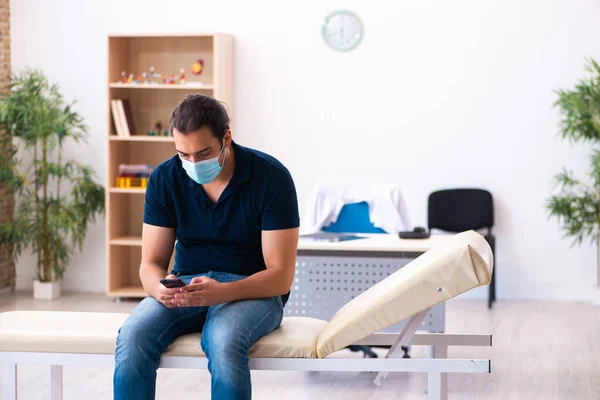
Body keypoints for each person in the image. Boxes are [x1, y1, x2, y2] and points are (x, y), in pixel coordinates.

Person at [113, 94, 300, 400]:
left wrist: (223, 292)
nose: (193, 164)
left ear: (226, 138)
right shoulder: (165, 178)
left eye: (203, 153)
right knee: (133, 336)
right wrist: (158, 289)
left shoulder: (271, 178)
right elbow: (150, 264)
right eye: (183, 155)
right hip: (187, 285)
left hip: (253, 291)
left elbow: (280, 277)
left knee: (223, 339)